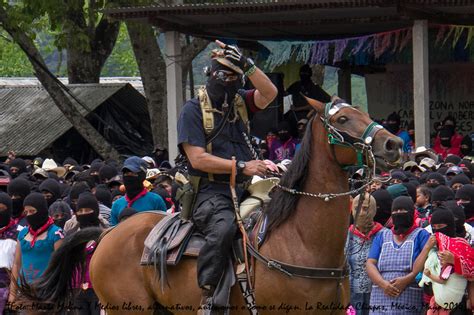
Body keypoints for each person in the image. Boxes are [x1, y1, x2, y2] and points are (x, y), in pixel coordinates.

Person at [177, 40, 277, 311]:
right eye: (224, 73)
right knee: (223, 228)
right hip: (209, 192)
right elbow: (197, 158)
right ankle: (207, 295)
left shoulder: (241, 101)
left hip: (245, 187)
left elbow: (269, 92)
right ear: (211, 73)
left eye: (236, 74)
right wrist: (243, 166)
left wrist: (248, 64)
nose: (230, 79)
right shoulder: (192, 109)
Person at [366, 196, 430, 314]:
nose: (398, 213)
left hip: (410, 296)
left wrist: (406, 280)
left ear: (411, 212)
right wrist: (383, 284)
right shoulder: (382, 235)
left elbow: (425, 266)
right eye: (395, 211)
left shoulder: (422, 235)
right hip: (380, 297)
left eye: (402, 210)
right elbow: (370, 263)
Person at [8, 193, 63, 305]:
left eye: (32, 211)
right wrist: (12, 293)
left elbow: (61, 266)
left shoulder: (56, 233)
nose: (29, 215)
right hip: (23, 291)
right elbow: (16, 264)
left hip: (47, 292)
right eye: (26, 212)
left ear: (42, 209)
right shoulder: (23, 233)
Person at [347, 193, 385, 315]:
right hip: (351, 295)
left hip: (378, 294)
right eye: (357, 208)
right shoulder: (345, 236)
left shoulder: (385, 236)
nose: (361, 213)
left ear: (373, 210)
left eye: (365, 208)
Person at [109, 156, 166, 226]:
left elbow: (164, 228)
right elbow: (113, 233)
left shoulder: (155, 201)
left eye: (133, 174)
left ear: (142, 175)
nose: (128, 177)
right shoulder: (117, 205)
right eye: (126, 174)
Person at [0, 192, 18, 314]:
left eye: (1, 209)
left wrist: (12, 294)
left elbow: (18, 265)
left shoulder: (19, 233)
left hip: (7, 288)